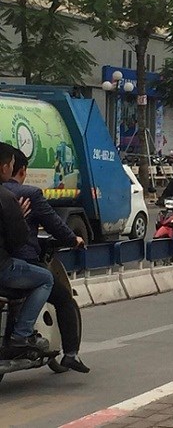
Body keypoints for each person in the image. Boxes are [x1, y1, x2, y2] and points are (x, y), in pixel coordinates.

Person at [3, 148, 89, 372]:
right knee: (61, 296)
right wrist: (74, 239)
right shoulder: (25, 195)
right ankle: (67, 353)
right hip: (15, 264)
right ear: (19, 169)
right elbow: (54, 225)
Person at [0, 142, 54, 350]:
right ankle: (21, 335)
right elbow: (18, 240)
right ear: (5, 167)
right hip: (3, 268)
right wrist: (19, 217)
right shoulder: (7, 198)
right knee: (46, 278)